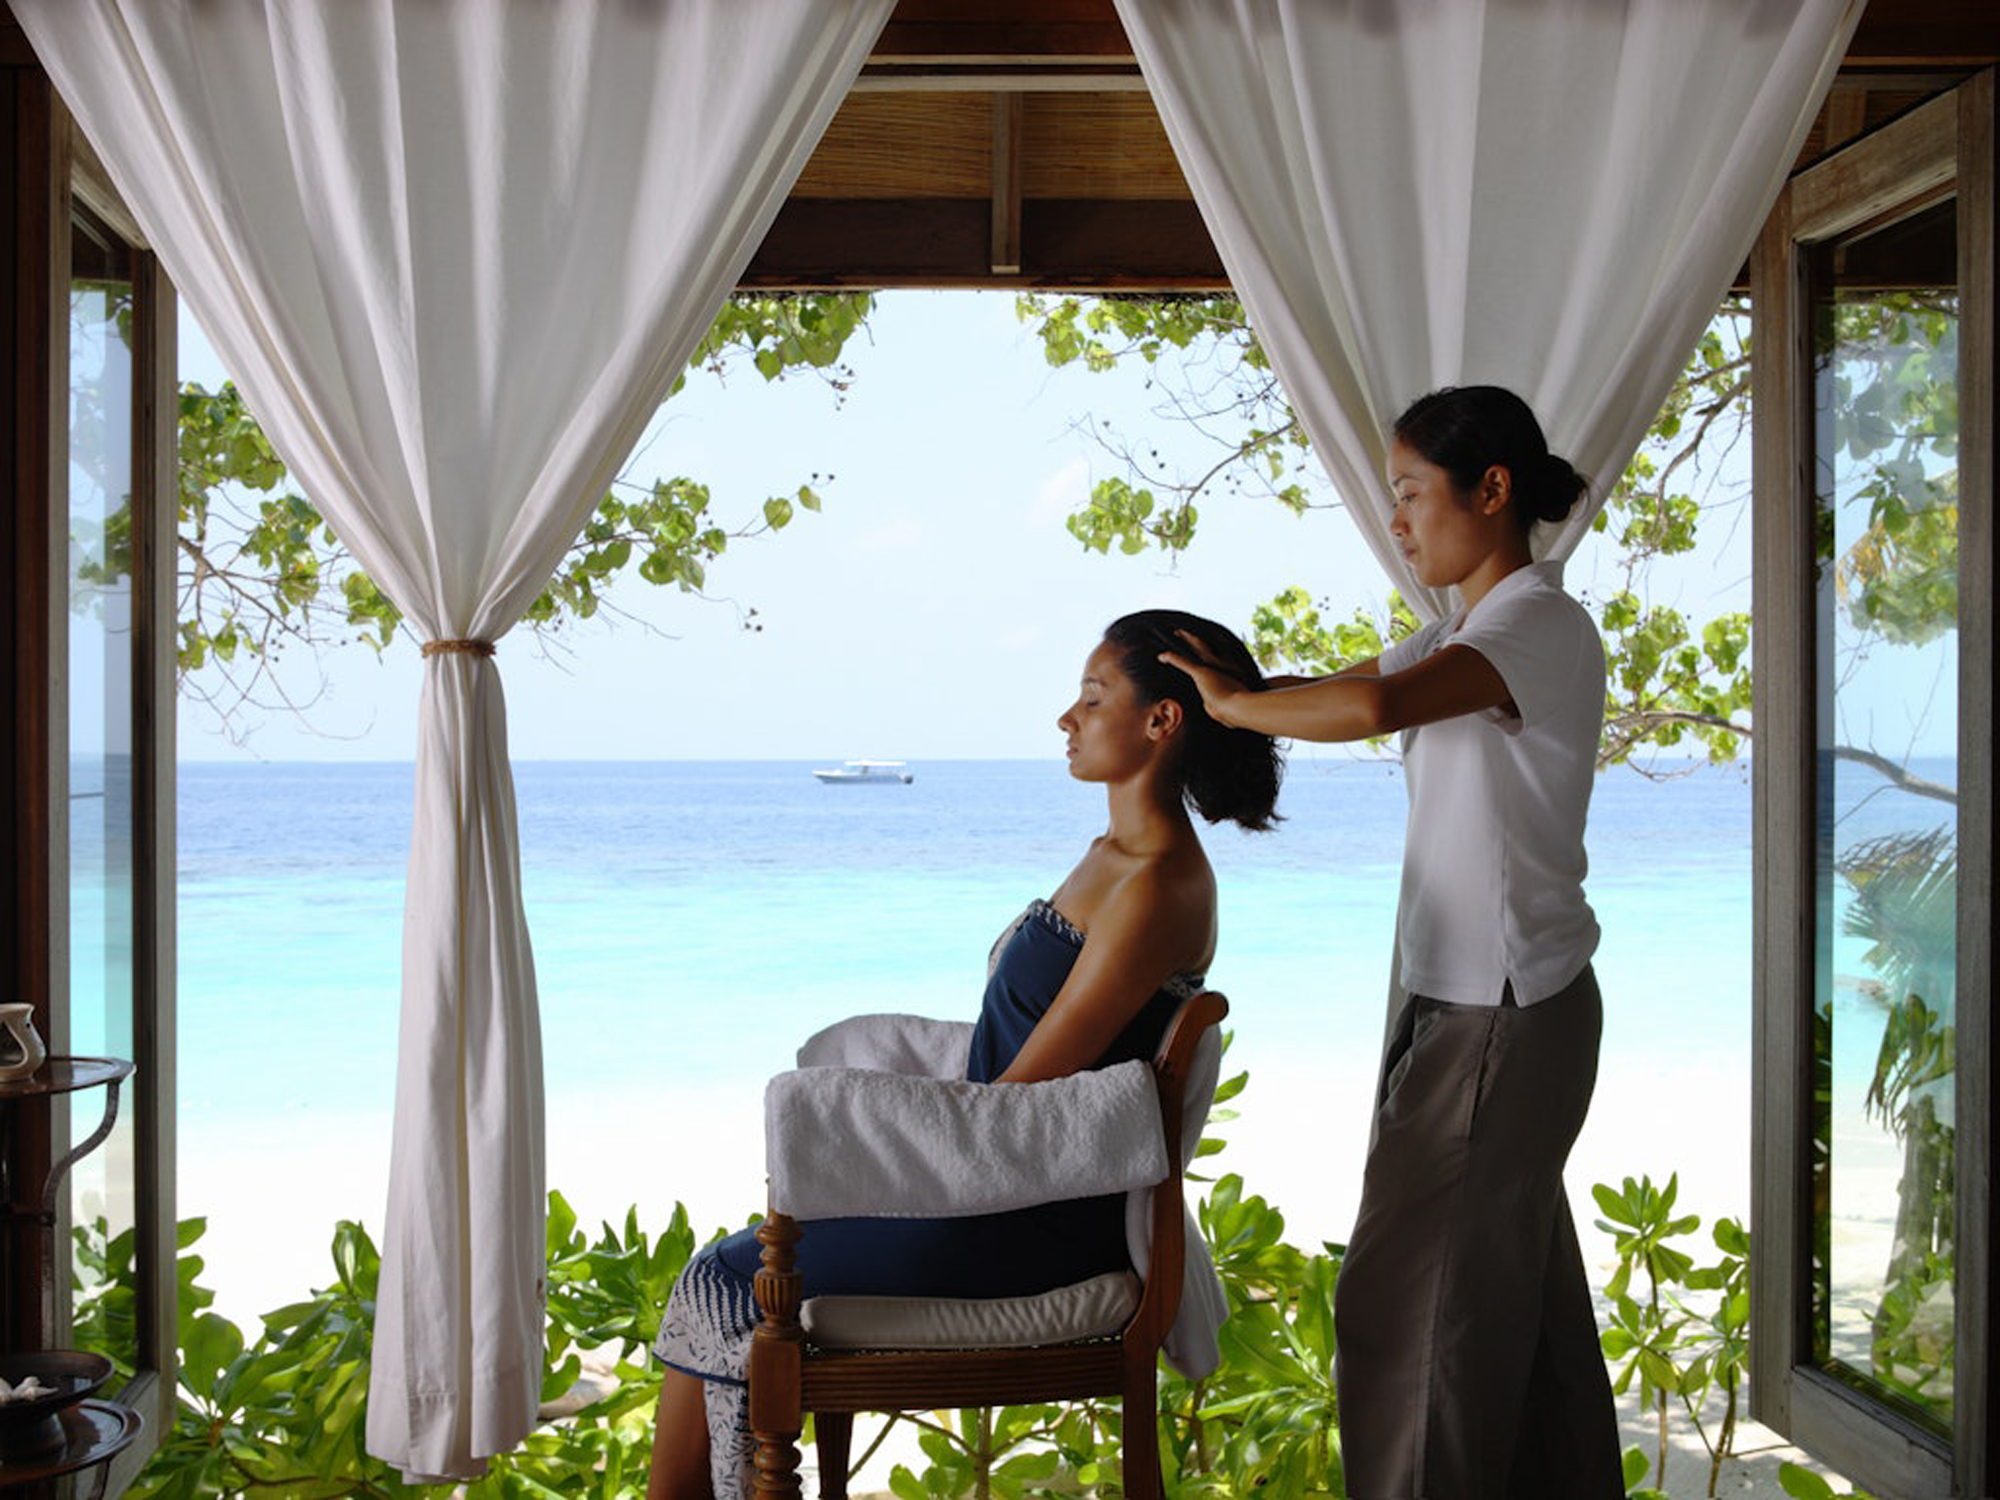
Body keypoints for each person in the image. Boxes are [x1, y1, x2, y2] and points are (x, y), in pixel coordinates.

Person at [646, 609, 1284, 1500]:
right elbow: (1016, 1048)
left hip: (1027, 1214)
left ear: (1161, 721)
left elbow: (1027, 1098)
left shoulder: (1157, 884)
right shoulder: (1116, 855)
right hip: (991, 1185)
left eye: (1093, 695)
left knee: (723, 1282)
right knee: (719, 1276)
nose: (1068, 716)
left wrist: (863, 1124)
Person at [1160, 386, 1622, 1498]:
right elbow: (1350, 688)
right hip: (1468, 1004)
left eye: (1411, 493)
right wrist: (1216, 694)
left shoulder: (1534, 626)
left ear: (1491, 490)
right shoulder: (1459, 629)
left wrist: (1229, 710)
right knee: (1519, 1315)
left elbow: (1375, 711)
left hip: (1498, 1014)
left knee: (1411, 1316)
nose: (1400, 521)